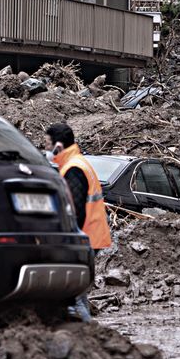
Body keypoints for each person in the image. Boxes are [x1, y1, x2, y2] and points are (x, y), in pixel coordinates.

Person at [46, 122, 111, 321]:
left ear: (58, 145)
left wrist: (69, 241)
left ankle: (89, 336)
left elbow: (75, 211)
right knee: (77, 296)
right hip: (91, 236)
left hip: (85, 238)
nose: (46, 148)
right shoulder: (76, 162)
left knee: (75, 298)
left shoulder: (74, 168)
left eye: (48, 143)